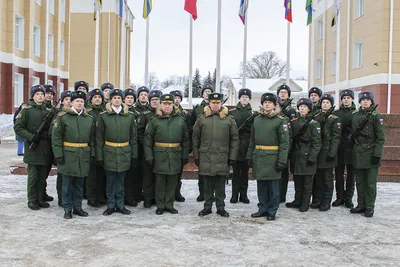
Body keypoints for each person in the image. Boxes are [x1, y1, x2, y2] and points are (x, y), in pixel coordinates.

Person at [193, 92, 239, 217]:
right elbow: (195, 139)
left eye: (218, 103)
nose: (215, 105)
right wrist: (196, 157)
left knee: (220, 185)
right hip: (206, 157)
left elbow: (235, 139)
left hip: (222, 157)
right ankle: (207, 206)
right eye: (213, 103)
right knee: (207, 185)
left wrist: (232, 157)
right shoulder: (201, 118)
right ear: (209, 103)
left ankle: (220, 207)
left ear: (221, 103)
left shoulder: (229, 119)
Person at [144, 94, 190, 215]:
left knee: (172, 181)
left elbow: (185, 140)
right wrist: (149, 156)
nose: (168, 106)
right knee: (160, 181)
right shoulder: (154, 120)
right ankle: (160, 205)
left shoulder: (180, 120)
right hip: (159, 154)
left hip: (175, 154)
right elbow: (147, 140)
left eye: (170, 104)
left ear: (173, 105)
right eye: (165, 104)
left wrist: (185, 155)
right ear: (161, 105)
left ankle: (169, 204)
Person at [52, 91, 94, 219]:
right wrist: (58, 155)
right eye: (77, 101)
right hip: (68, 154)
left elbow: (92, 139)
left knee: (79, 184)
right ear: (72, 103)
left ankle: (78, 207)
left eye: (82, 101)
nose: (80, 103)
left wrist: (91, 153)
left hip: (83, 155)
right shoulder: (63, 117)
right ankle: (67, 209)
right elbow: (56, 138)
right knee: (67, 185)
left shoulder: (89, 119)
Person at [247, 93, 289, 221]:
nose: (267, 104)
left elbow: (284, 143)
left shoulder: (280, 121)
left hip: (273, 158)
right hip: (259, 156)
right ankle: (263, 208)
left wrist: (282, 160)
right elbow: (252, 140)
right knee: (262, 186)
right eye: (265, 102)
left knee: (273, 187)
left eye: (270, 102)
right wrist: (249, 156)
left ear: (275, 105)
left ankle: (272, 210)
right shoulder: (257, 120)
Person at [96, 88, 138, 216]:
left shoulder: (129, 116)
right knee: (110, 180)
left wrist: (134, 155)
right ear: (110, 100)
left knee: (121, 181)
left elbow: (133, 138)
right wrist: (99, 156)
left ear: (123, 99)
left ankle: (120, 205)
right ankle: (110, 205)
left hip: (124, 151)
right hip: (109, 151)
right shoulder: (103, 116)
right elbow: (99, 138)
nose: (117, 100)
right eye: (114, 98)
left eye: (119, 98)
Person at [14, 85, 55, 210]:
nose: (40, 96)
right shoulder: (26, 111)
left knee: (42, 176)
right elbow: (18, 128)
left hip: (45, 148)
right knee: (33, 177)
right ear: (32, 96)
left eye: (42, 94)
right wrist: (31, 137)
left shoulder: (48, 111)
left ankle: (39, 198)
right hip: (33, 148)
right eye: (37, 94)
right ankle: (32, 199)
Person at [350, 92, 385, 218]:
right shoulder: (355, 115)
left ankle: (369, 206)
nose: (365, 102)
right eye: (363, 100)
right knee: (359, 181)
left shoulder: (376, 116)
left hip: (371, 153)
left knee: (370, 183)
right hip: (358, 153)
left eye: (367, 100)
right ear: (359, 102)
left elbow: (381, 138)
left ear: (371, 102)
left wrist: (377, 154)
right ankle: (361, 204)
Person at [286, 98, 321, 212]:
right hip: (296, 156)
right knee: (297, 180)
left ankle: (305, 203)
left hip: (307, 156)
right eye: (300, 106)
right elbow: (290, 139)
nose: (302, 108)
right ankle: (297, 200)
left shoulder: (314, 124)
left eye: (305, 107)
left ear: (309, 109)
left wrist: (312, 157)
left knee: (307, 182)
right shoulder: (293, 122)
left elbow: (317, 143)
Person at [310, 94, 341, 211]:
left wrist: (332, 153)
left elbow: (336, 138)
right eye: (323, 102)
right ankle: (317, 199)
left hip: (328, 152)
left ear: (331, 104)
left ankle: (326, 201)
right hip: (317, 151)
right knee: (318, 178)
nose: (325, 104)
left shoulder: (335, 119)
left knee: (327, 179)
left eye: (328, 102)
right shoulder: (316, 116)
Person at [137, 89, 162, 208]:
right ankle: (147, 198)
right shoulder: (145, 115)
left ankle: (156, 198)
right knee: (147, 176)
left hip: (160, 150)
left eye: (157, 100)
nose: (155, 102)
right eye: (152, 100)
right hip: (146, 151)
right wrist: (146, 144)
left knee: (158, 176)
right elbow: (139, 132)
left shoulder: (162, 114)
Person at [333, 89, 356, 208]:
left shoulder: (356, 113)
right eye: (344, 98)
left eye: (348, 97)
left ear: (352, 99)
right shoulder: (337, 113)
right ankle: (340, 197)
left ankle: (349, 198)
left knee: (351, 175)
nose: (346, 100)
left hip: (352, 147)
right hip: (339, 147)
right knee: (338, 174)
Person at [191, 84, 214, 202]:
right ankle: (202, 193)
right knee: (202, 170)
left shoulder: (217, 108)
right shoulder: (197, 108)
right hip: (201, 142)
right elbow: (192, 125)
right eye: (205, 91)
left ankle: (211, 193)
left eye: (209, 91)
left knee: (214, 170)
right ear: (202, 94)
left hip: (214, 142)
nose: (207, 93)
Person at [229, 88, 253, 204]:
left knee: (244, 173)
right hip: (236, 146)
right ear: (239, 98)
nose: (245, 98)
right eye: (243, 97)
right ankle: (234, 195)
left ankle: (244, 195)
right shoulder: (232, 113)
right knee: (235, 173)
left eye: (247, 97)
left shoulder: (252, 114)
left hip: (247, 145)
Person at [85, 89, 107, 207]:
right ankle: (92, 197)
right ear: (91, 99)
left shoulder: (105, 112)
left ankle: (101, 195)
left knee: (102, 174)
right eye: (95, 97)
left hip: (104, 146)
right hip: (91, 145)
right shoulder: (88, 112)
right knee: (92, 175)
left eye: (99, 97)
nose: (97, 99)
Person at [170, 89, 191, 202]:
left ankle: (177, 192)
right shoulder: (167, 111)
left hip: (180, 147)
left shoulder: (184, 114)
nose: (177, 99)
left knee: (178, 172)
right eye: (175, 97)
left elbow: (187, 132)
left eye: (179, 98)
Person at [277, 84, 296, 203]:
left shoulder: (291, 110)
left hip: (286, 143)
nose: (283, 93)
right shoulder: (275, 106)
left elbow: (293, 128)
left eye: (285, 92)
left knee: (283, 172)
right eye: (281, 92)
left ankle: (281, 195)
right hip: (275, 144)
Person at [53, 90, 72, 207]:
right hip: (61, 150)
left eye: (71, 100)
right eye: (66, 100)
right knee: (62, 177)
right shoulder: (58, 115)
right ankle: (61, 199)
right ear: (62, 102)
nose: (69, 102)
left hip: (72, 152)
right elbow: (54, 135)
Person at [123, 88, 140, 207]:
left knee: (133, 175)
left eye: (132, 98)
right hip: (121, 146)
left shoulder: (137, 114)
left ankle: (131, 196)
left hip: (135, 146)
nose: (129, 100)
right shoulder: (121, 112)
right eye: (128, 97)